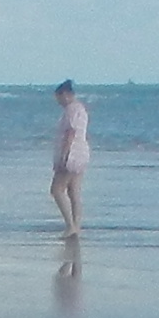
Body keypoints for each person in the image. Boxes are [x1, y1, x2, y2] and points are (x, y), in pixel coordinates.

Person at [49, 79, 91, 235]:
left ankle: (70, 225)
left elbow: (70, 133)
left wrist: (63, 156)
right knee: (74, 191)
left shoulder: (71, 110)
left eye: (58, 97)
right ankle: (76, 226)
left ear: (65, 95)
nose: (58, 101)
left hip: (72, 154)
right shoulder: (81, 109)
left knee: (56, 190)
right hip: (82, 152)